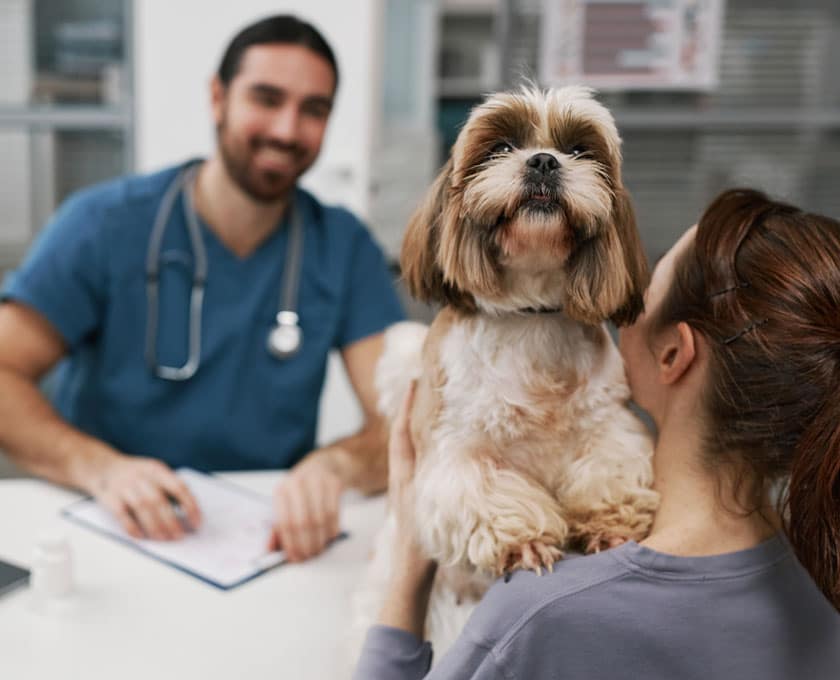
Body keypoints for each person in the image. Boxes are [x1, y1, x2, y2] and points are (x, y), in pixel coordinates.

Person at [354, 189, 840, 679]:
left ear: (673, 354)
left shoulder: (537, 615)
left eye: (643, 294)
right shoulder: (822, 586)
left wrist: (408, 568)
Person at [0, 15, 404, 561]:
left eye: (314, 110)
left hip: (265, 542)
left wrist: (338, 465)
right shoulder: (103, 224)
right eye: (267, 98)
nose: (288, 130)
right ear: (218, 97)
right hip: (113, 530)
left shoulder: (343, 246)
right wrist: (99, 468)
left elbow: (404, 421)